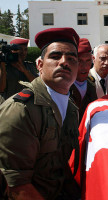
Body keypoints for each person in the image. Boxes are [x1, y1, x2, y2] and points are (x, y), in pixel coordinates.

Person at [0, 27, 81, 199]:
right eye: (55, 56)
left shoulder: (72, 109)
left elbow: (61, 165)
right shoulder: (21, 110)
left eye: (72, 58)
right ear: (40, 65)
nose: (64, 62)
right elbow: (17, 186)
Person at [70, 38, 97, 121]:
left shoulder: (91, 84)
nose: (84, 66)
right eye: (80, 61)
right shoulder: (63, 86)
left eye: (88, 61)